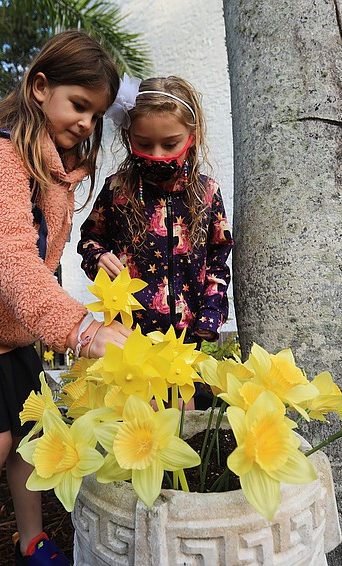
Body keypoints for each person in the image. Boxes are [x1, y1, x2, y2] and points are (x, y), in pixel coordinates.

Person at [0, 30, 130, 566]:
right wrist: (79, 329)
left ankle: (31, 539)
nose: (86, 123)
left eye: (96, 114)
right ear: (40, 87)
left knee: (29, 440)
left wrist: (57, 324)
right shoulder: (0, 160)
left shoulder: (53, 170)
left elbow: (35, 268)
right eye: (78, 105)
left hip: (14, 326)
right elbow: (10, 258)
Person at [78, 76, 234, 408]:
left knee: (182, 418)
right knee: (136, 414)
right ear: (128, 136)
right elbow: (89, 239)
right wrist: (99, 257)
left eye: (170, 143)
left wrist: (210, 314)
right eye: (144, 144)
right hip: (127, 337)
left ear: (192, 138)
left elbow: (219, 258)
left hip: (184, 339)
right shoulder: (117, 191)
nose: (157, 155)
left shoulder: (206, 194)